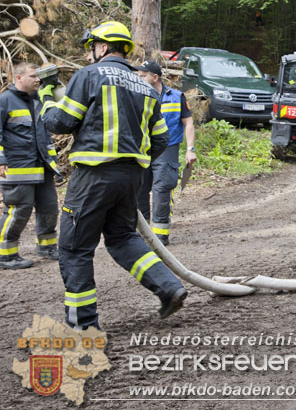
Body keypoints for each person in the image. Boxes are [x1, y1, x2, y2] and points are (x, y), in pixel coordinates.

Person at [40, 21, 187, 329]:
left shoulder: (89, 76)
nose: (90, 54)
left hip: (93, 177)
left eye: (92, 47)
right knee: (121, 237)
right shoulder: (146, 87)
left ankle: (83, 327)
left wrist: (45, 98)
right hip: (131, 178)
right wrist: (135, 163)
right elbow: (160, 139)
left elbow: (62, 122)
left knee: (75, 248)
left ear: (103, 47)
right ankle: (169, 288)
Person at [0, 62, 61, 269]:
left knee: (50, 208)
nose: (38, 80)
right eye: (33, 76)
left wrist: (54, 161)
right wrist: (1, 160)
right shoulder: (4, 101)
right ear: (18, 78)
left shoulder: (39, 101)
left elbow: (46, 135)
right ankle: (5, 255)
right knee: (19, 210)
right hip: (17, 167)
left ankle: (47, 247)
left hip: (43, 167)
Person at [135, 60, 197, 246]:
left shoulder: (177, 97)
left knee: (162, 189)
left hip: (167, 148)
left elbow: (188, 123)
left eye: (143, 76)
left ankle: (160, 235)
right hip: (143, 148)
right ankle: (142, 233)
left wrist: (190, 149)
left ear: (155, 77)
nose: (139, 79)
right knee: (139, 190)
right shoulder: (136, 95)